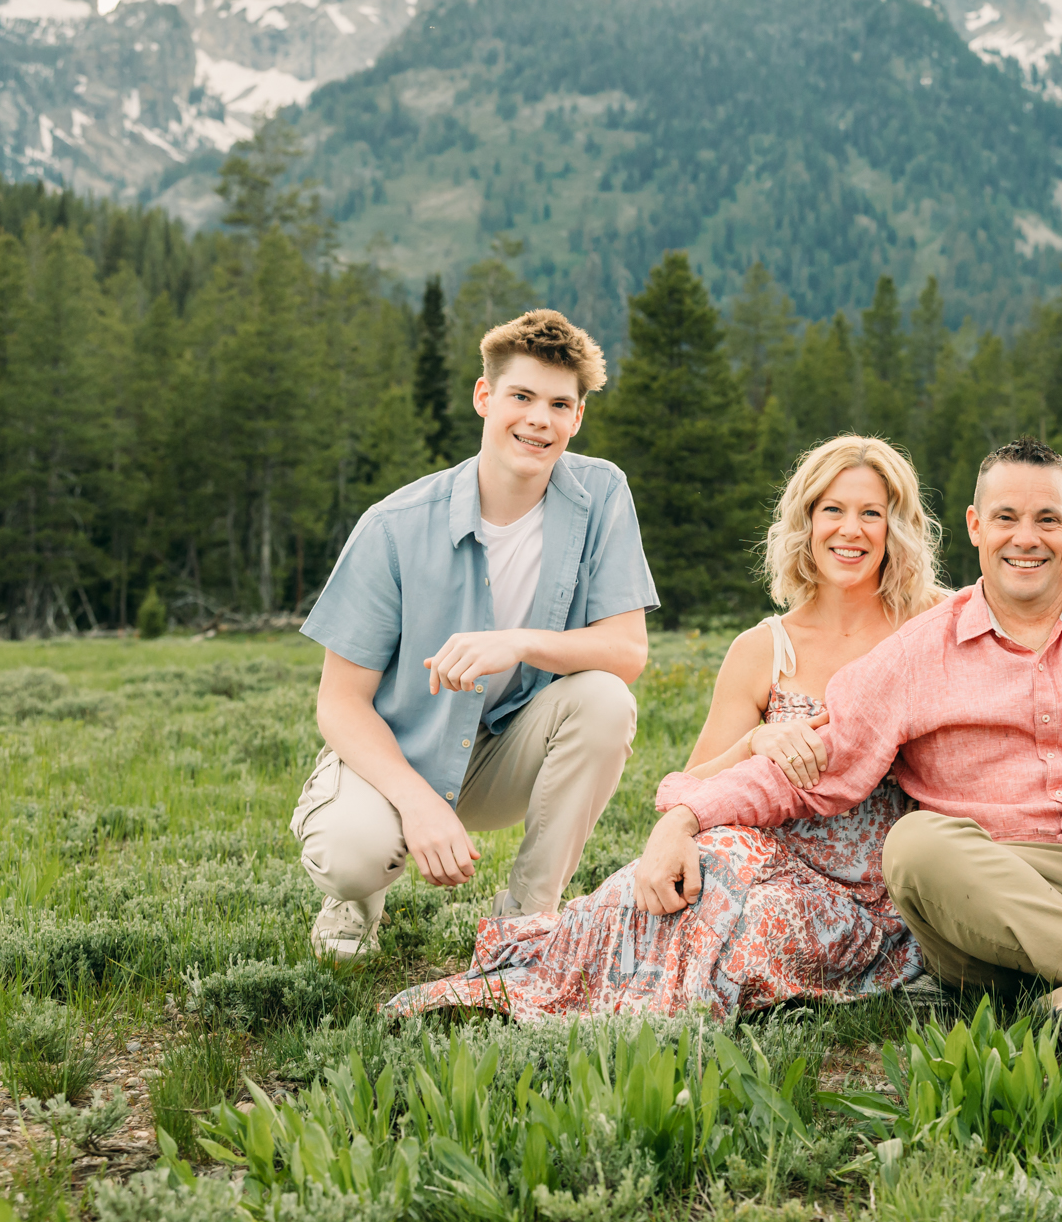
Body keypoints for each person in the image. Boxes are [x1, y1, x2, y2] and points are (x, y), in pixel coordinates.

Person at [640, 437, 1062, 1059]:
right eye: (1005, 518)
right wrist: (686, 814)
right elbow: (815, 766)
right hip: (996, 898)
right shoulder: (917, 650)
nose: (1024, 539)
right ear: (975, 526)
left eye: (1046, 520)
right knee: (915, 848)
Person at [385, 436, 944, 1022]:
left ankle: (649, 1023)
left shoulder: (930, 625)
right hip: (754, 852)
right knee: (669, 890)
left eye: (870, 513)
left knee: (738, 920)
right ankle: (556, 988)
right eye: (832, 510)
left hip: (864, 894)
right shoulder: (763, 648)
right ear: (806, 521)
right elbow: (695, 782)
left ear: (896, 527)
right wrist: (755, 742)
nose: (849, 530)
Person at [292, 309, 654, 959]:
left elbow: (627, 652)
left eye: (558, 404)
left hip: (503, 754)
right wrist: (419, 805)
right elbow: (339, 702)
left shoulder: (602, 495)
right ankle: (352, 901)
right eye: (521, 396)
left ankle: (526, 921)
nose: (538, 420)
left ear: (577, 418)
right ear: (485, 397)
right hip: (399, 756)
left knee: (605, 699)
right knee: (351, 856)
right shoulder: (395, 525)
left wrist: (518, 641)